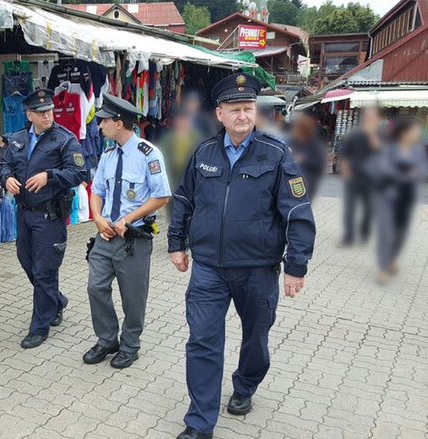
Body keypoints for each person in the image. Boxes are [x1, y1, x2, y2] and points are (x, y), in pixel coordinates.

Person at [167, 73, 316, 439]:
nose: (242, 116)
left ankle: (245, 385)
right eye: (234, 109)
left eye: (248, 109)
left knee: (256, 339)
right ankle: (200, 423)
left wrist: (295, 267)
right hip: (208, 270)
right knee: (202, 341)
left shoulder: (276, 154)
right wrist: (175, 244)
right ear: (219, 113)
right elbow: (184, 201)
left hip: (257, 270)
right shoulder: (203, 153)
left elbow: (297, 212)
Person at [83, 93, 171, 369]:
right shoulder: (108, 154)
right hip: (105, 235)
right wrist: (97, 217)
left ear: (119, 123)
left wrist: (128, 219)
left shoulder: (148, 154)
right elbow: (96, 191)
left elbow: (162, 196)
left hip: (133, 238)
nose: (99, 127)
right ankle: (107, 339)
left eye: (103, 121)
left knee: (133, 296)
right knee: (95, 287)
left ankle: (130, 345)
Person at [0, 88, 87, 349]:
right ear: (29, 115)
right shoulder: (16, 139)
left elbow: (80, 172)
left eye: (49, 110)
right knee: (27, 262)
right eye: (40, 112)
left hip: (50, 216)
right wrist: (7, 178)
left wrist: (49, 176)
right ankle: (57, 301)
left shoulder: (64, 139)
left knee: (44, 271)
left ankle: (39, 327)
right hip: (24, 213)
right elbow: (5, 164)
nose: (47, 115)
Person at [370, 117, 428, 284]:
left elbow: (422, 169)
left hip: (407, 196)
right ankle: (383, 267)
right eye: (414, 131)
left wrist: (408, 173)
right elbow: (383, 169)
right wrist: (406, 173)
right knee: (385, 233)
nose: (417, 135)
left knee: (401, 233)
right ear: (404, 132)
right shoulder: (389, 148)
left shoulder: (418, 150)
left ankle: (392, 258)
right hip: (387, 196)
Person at [339, 106, 381, 247]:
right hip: (353, 176)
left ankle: (364, 233)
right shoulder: (354, 135)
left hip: (371, 178)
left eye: (372, 118)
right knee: (350, 208)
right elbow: (345, 155)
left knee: (369, 208)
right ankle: (348, 236)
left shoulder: (380, 135)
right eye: (368, 118)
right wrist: (346, 172)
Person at [288, 111, 328, 200]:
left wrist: (304, 159)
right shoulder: (292, 142)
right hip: (291, 181)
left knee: (301, 205)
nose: (294, 131)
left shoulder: (315, 145)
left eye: (297, 129)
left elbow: (320, 164)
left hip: (308, 182)